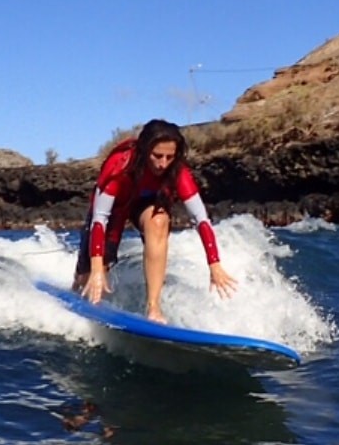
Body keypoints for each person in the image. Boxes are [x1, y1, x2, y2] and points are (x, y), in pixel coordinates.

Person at [71, 119, 237, 324]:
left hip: (147, 204)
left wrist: (215, 264)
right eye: (157, 156)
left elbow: (201, 219)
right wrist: (97, 267)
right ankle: (76, 291)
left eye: (169, 157)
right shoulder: (120, 165)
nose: (163, 164)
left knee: (159, 222)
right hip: (114, 209)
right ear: (143, 149)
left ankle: (154, 308)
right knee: (90, 276)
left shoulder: (177, 171)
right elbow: (100, 219)